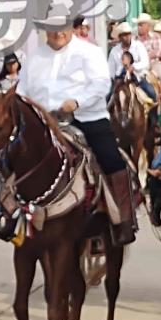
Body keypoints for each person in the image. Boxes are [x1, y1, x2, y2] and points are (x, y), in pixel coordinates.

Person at [18, 18, 137, 245]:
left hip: (86, 117)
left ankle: (122, 219)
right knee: (12, 156)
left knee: (111, 159)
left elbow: (101, 84)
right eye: (52, 29)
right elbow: (22, 90)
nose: (57, 33)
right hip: (43, 121)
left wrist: (77, 102)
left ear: (71, 28)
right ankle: (10, 215)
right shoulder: (35, 57)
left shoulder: (89, 52)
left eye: (62, 28)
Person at [108, 22, 156, 100]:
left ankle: (154, 111)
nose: (127, 37)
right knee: (107, 97)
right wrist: (115, 78)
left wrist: (133, 67)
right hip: (120, 79)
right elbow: (111, 68)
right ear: (120, 37)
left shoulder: (138, 46)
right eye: (124, 35)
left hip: (137, 77)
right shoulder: (114, 51)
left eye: (128, 34)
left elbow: (145, 62)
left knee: (152, 93)